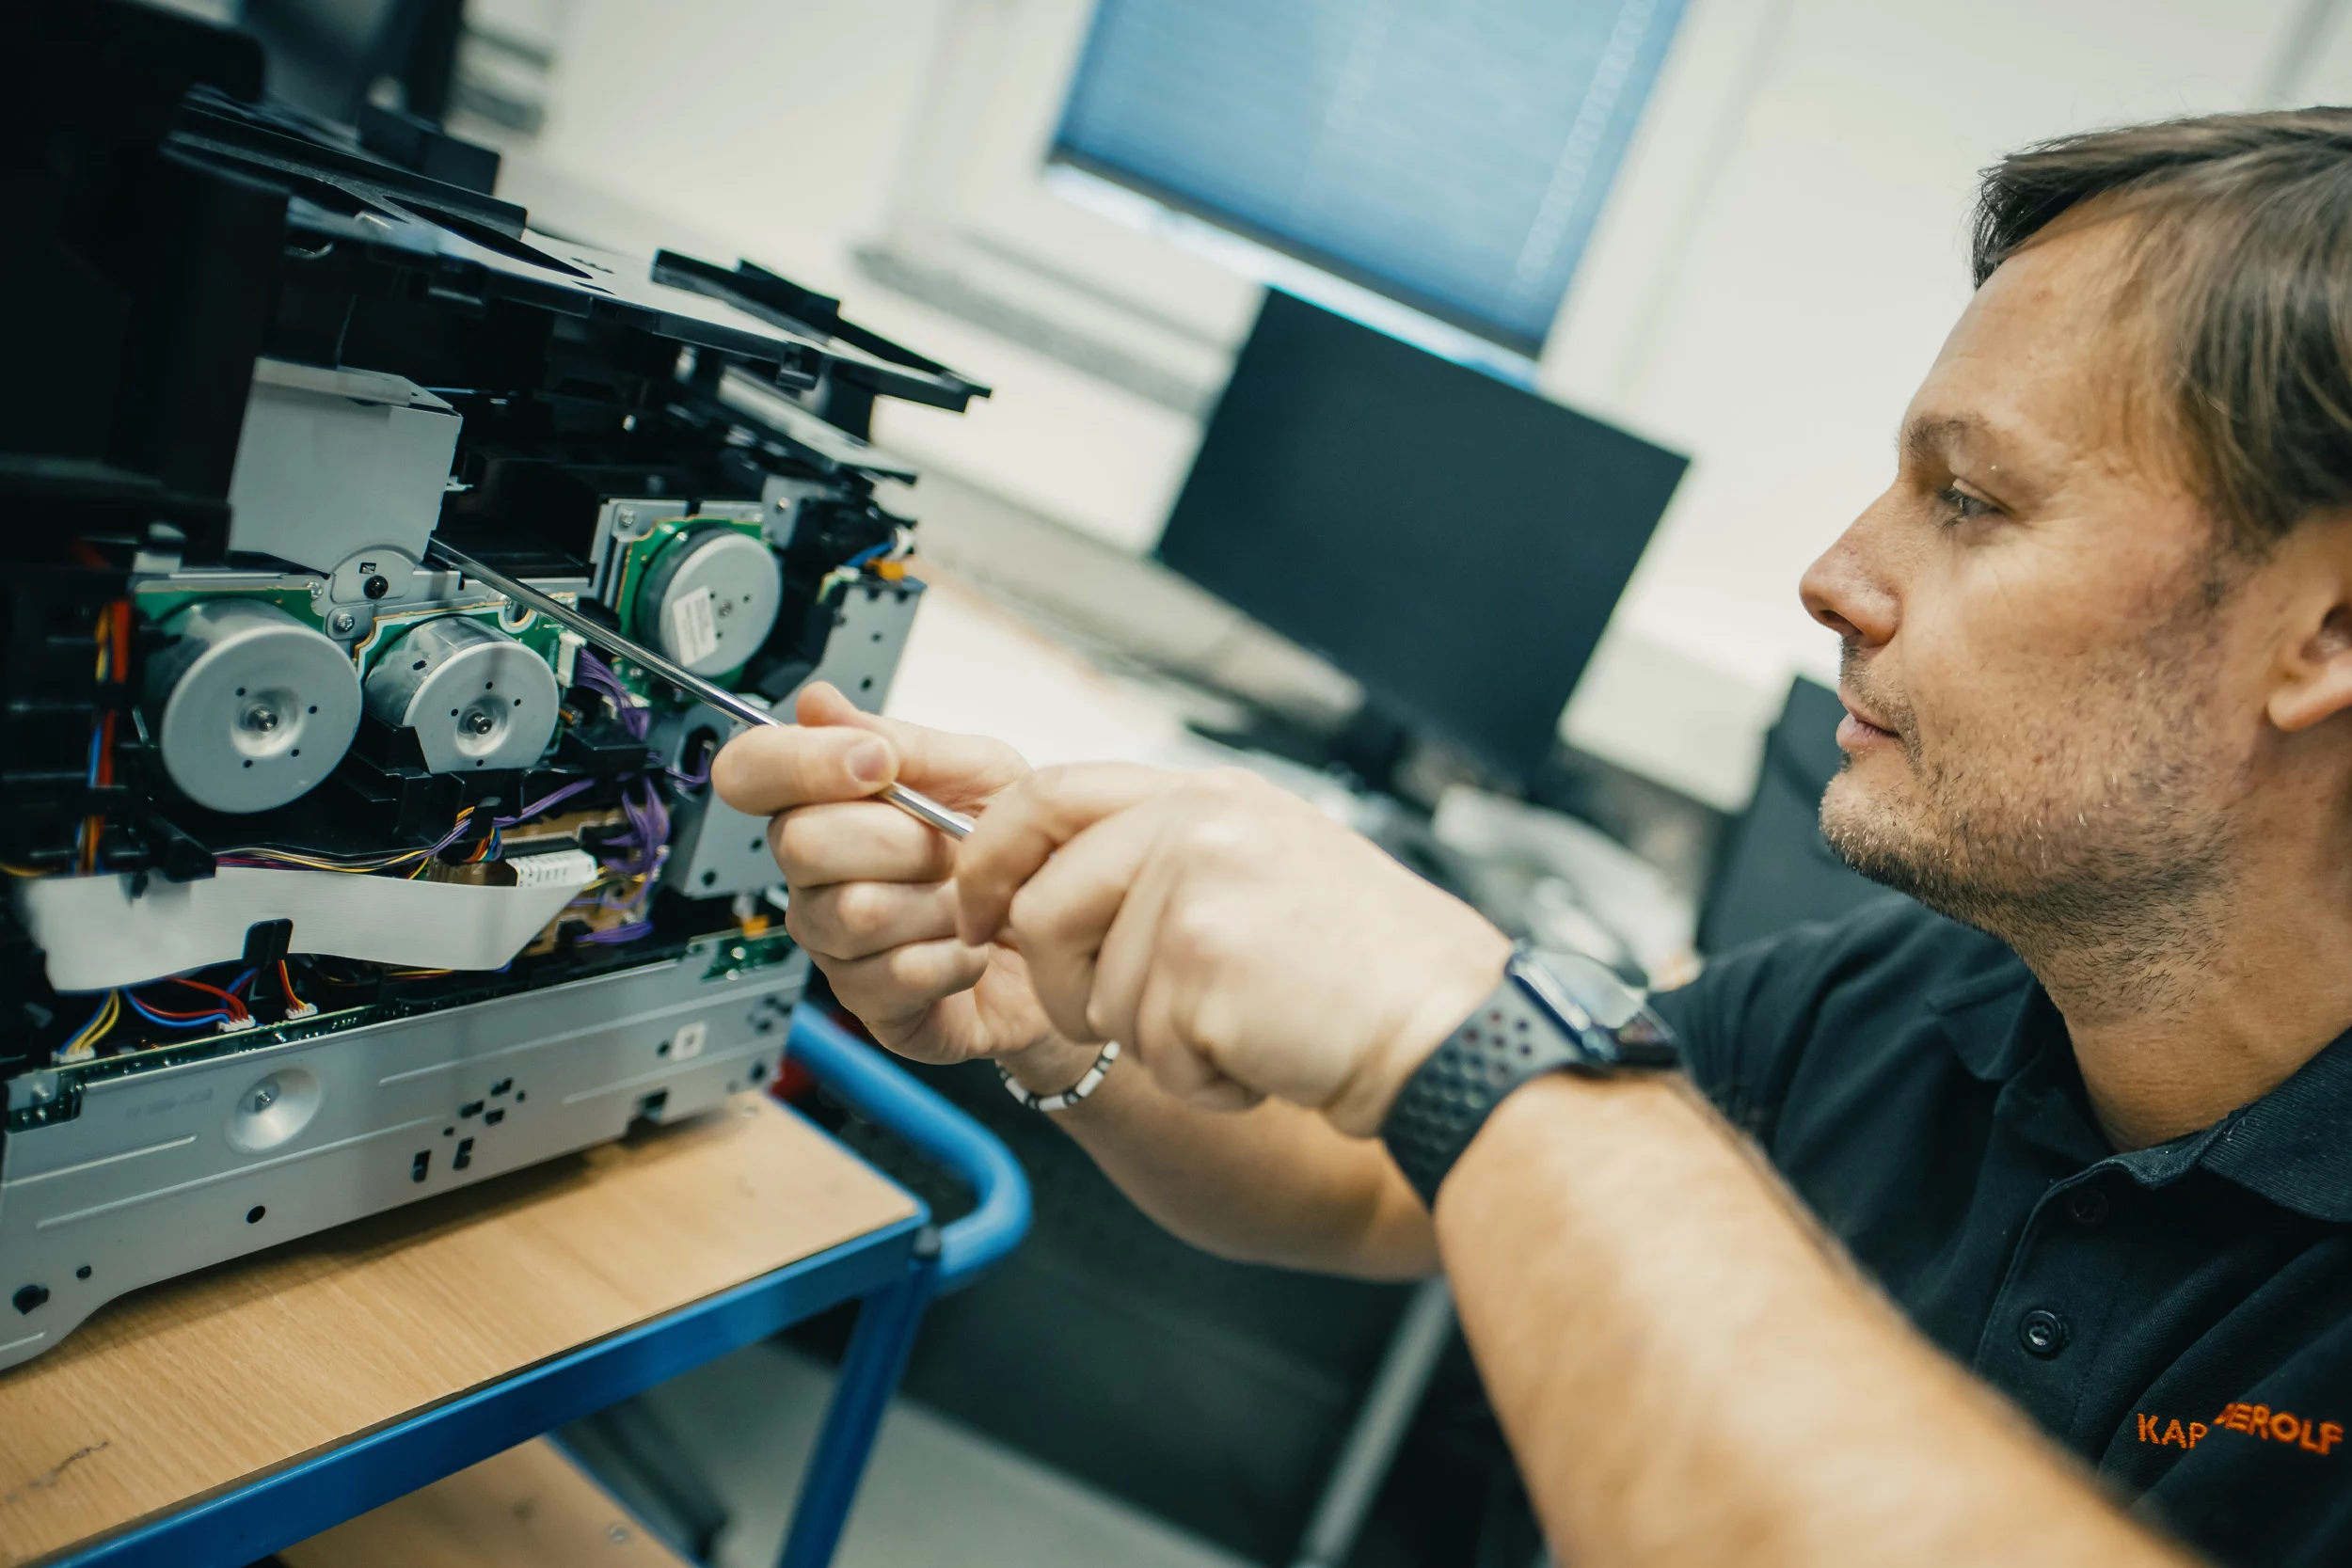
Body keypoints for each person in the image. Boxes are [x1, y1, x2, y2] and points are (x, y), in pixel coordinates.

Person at [715, 110, 2352, 1567]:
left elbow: (1491, 1106)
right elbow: (1383, 1179)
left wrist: (1473, 1028)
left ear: (2326, 630)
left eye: (1972, 500)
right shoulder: (1902, 997)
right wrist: (1055, 1004)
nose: (1838, 577)